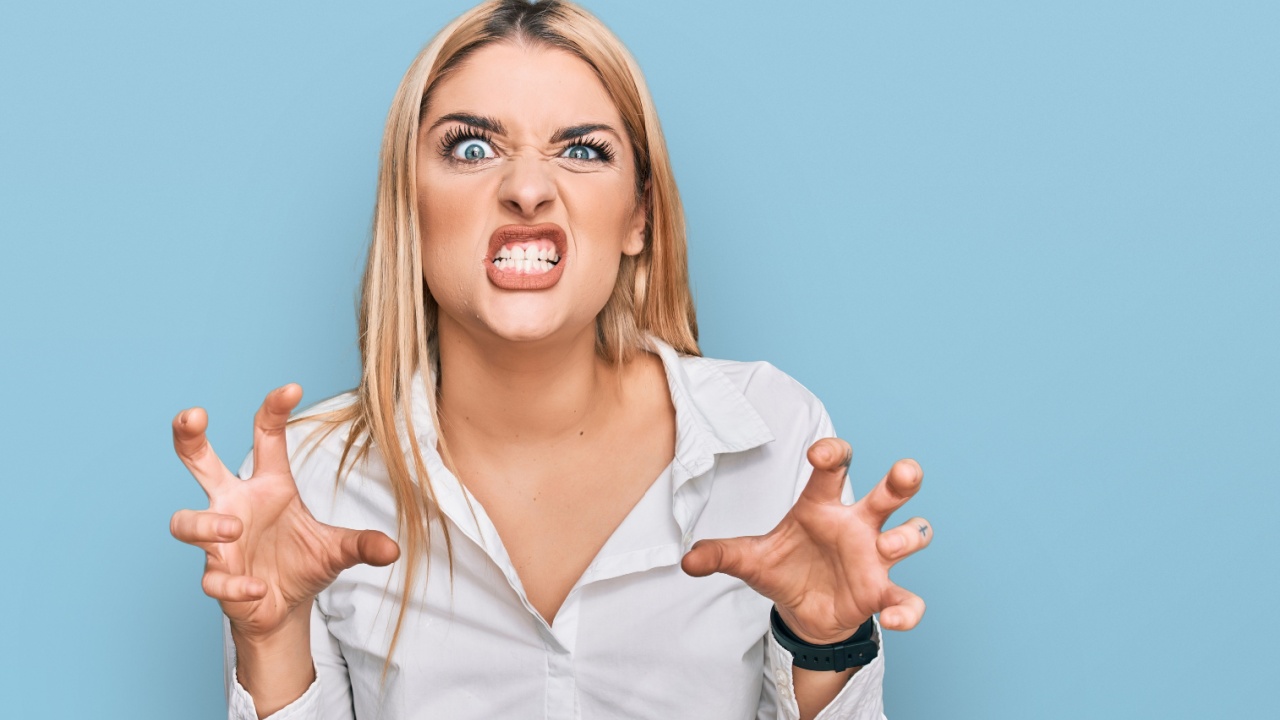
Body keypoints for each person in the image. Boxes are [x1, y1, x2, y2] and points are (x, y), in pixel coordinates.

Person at [168, 1, 931, 718]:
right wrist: (268, 640)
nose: (528, 188)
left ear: (639, 215)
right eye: (472, 147)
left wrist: (827, 642)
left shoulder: (772, 436)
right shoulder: (309, 482)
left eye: (581, 150)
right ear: (412, 203)